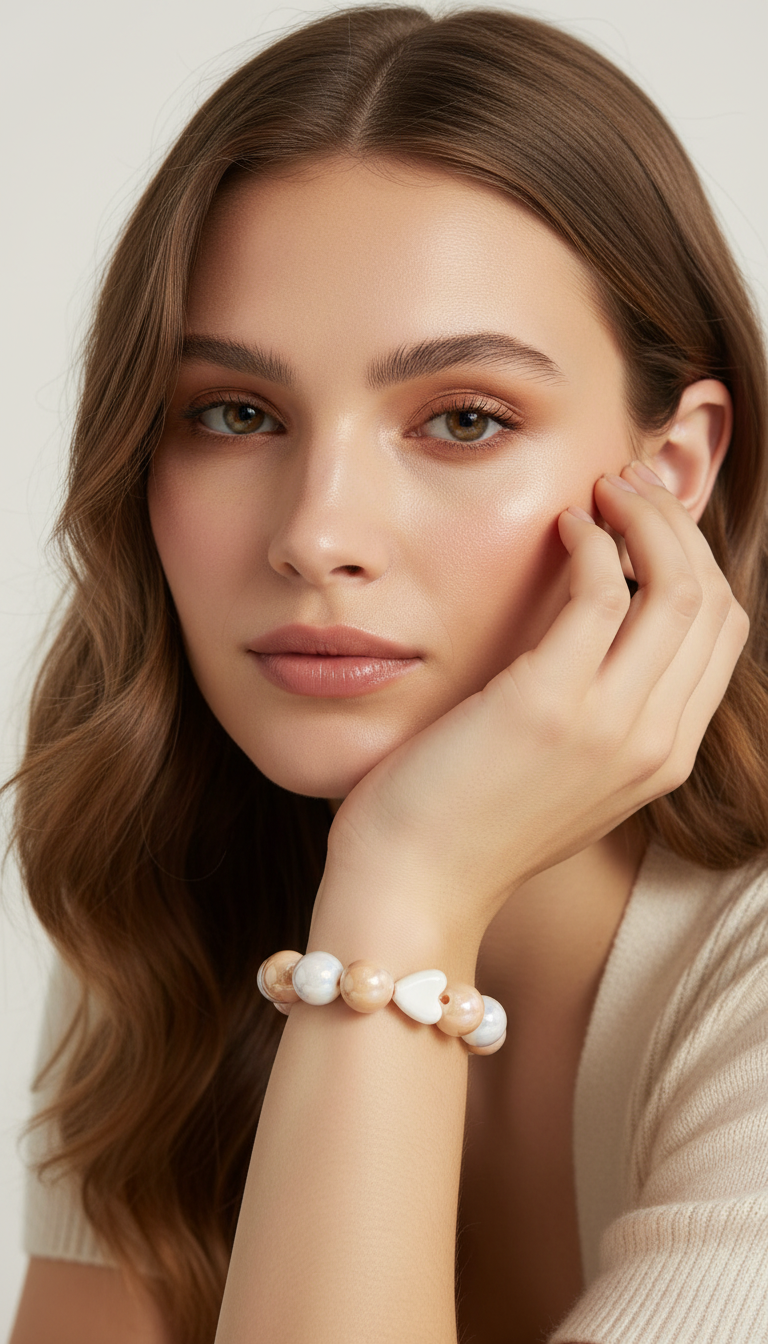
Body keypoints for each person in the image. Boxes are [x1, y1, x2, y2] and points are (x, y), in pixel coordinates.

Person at [6, 5, 768, 1342]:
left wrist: (406, 895)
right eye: (234, 415)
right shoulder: (176, 873)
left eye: (464, 419)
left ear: (674, 470)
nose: (316, 534)